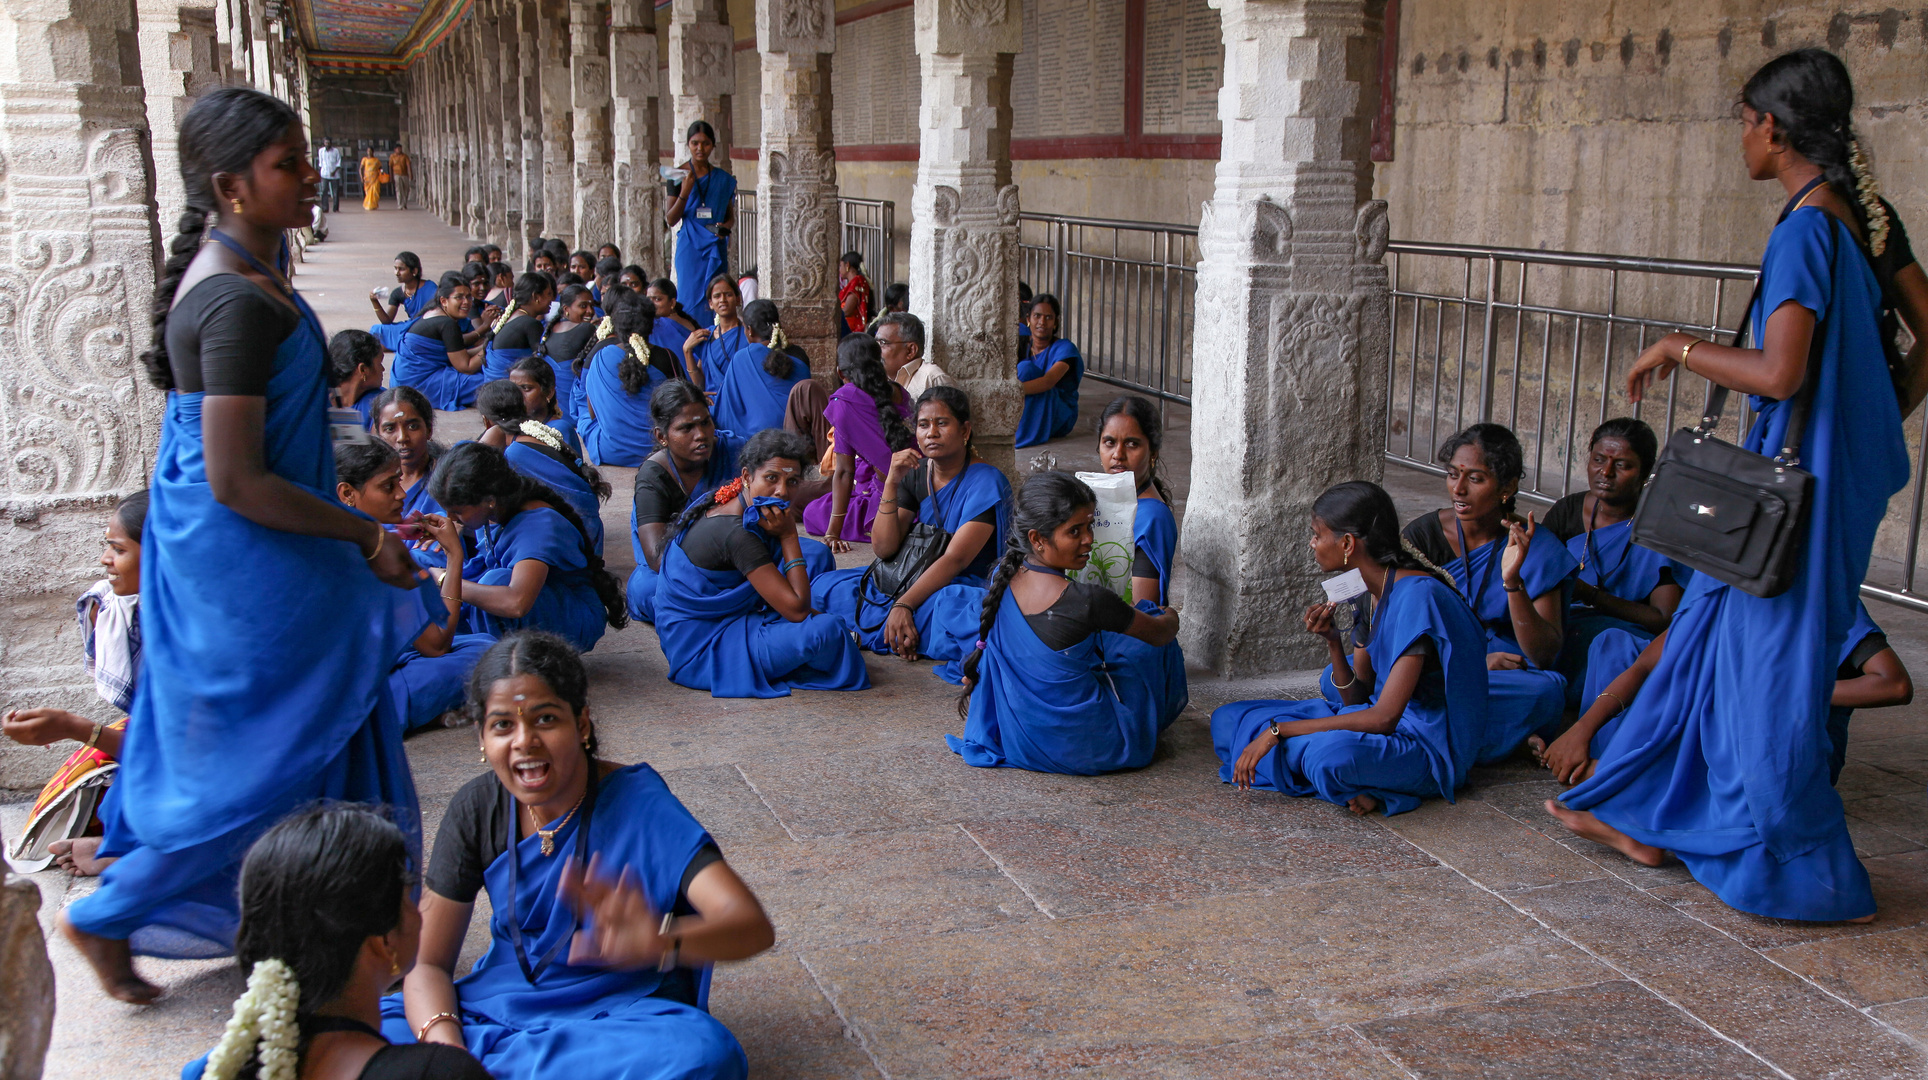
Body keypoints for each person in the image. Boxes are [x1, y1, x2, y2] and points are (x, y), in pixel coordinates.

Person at [62, 87, 427, 1004]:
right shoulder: (232, 299)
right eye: (288, 165)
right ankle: (112, 910)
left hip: (250, 540)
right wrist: (365, 530)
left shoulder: (249, 271)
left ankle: (324, 928)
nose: (312, 177)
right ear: (230, 186)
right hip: (246, 551)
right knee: (260, 748)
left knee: (313, 723)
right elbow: (234, 478)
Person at [1549, 50, 1914, 924]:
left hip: (1781, 504)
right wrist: (1874, 415)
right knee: (1707, 642)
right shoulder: (1863, 218)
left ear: (1776, 128)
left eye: (1745, 119)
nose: (1740, 137)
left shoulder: (1805, 231)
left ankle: (1789, 861)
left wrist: (1676, 348)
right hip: (1818, 488)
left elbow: (1781, 373)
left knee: (1764, 672)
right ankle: (1632, 808)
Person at [382, 631, 771, 1077]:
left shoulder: (637, 802)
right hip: (494, 1011)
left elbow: (751, 928)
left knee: (703, 1054)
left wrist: (658, 939)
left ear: (581, 724)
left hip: (614, 1019)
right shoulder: (477, 808)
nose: (524, 742)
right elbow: (428, 962)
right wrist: (448, 1053)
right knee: (357, 1028)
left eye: (545, 719)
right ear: (482, 738)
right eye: (503, 725)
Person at [1214, 482, 1488, 816]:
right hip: (1377, 719)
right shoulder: (1364, 590)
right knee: (1228, 719)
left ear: (1346, 543)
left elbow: (1385, 718)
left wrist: (1277, 731)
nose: (1312, 544)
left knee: (1328, 757)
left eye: (1316, 534)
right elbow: (1358, 699)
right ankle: (1358, 777)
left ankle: (1387, 786)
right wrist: (1333, 643)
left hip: (1424, 743)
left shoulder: (1417, 595)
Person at [181, 805, 493, 1080]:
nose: (418, 910)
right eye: (408, 892)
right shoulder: (437, 1073)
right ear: (385, 942)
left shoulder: (224, 1065)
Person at [946, 473, 1185, 775]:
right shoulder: (1087, 600)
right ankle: (1145, 730)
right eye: (1075, 531)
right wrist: (1171, 615)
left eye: (1090, 526)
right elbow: (1160, 635)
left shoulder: (1001, 579)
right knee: (1150, 618)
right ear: (1037, 539)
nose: (1089, 540)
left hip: (1022, 739)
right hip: (1089, 747)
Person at [1402, 423, 1574, 763]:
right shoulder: (1421, 537)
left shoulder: (1535, 547)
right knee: (1341, 678)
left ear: (1507, 487)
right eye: (1453, 475)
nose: (1459, 489)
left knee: (1546, 690)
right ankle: (1507, 737)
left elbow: (1543, 656)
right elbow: (1399, 630)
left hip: (1508, 673)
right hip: (1437, 663)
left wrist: (1513, 580)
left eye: (1475, 479)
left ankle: (1423, 732)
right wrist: (1474, 664)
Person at [655, 431, 870, 698]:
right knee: (827, 632)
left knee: (816, 556)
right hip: (704, 649)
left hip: (728, 621)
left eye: (792, 481)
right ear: (746, 477)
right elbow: (797, 613)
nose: (782, 491)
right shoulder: (737, 534)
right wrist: (789, 535)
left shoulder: (732, 499)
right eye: (771, 478)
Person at [813, 387, 1013, 669]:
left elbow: (955, 559)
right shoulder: (917, 472)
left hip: (958, 584)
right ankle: (898, 630)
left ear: (965, 430)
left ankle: (889, 627)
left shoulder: (985, 481)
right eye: (923, 424)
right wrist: (892, 482)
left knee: (956, 612)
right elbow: (884, 548)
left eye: (942, 423)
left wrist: (904, 605)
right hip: (911, 574)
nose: (931, 432)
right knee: (825, 587)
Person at [3, 490, 148, 879]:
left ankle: (127, 851)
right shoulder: (127, 612)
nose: (105, 560)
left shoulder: (185, 635)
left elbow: (178, 753)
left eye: (117, 549)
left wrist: (74, 727)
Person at [337, 440, 497, 736]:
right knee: (489, 653)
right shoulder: (379, 551)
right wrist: (454, 556)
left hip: (342, 678)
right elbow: (436, 646)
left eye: (399, 481)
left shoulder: (328, 533)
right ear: (347, 493)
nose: (401, 494)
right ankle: (400, 711)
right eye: (388, 487)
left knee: (481, 642)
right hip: (355, 692)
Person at [1533, 418, 1682, 709]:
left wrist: (1591, 595)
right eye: (1598, 460)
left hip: (1620, 638)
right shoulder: (1569, 510)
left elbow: (1664, 617)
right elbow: (1539, 574)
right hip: (1562, 627)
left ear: (1645, 473)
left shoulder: (1657, 528)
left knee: (1614, 651)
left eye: (1622, 465)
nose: (1606, 472)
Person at [431, 442, 626, 654]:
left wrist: (446, 580)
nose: (450, 518)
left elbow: (517, 603)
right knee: (423, 562)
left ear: (489, 500)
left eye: (457, 512)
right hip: (535, 601)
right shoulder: (494, 510)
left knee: (492, 582)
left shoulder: (538, 526)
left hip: (573, 616)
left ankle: (499, 668)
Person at [628, 382, 739, 624]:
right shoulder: (654, 477)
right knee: (647, 590)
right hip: (684, 570)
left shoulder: (733, 452)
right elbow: (657, 558)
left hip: (739, 556)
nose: (701, 435)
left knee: (812, 555)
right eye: (686, 428)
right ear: (662, 436)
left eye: (705, 422)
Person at [476, 379, 610, 555]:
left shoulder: (515, 453)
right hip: (590, 531)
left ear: (487, 422)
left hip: (576, 538)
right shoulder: (534, 433)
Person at [803, 334, 913, 548]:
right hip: (924, 483)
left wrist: (832, 534)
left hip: (892, 497)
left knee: (812, 512)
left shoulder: (845, 401)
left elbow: (845, 471)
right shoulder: (900, 391)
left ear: (840, 372)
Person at [574, 290, 680, 467]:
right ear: (652, 325)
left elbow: (593, 413)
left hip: (610, 451)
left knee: (584, 417)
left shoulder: (600, 357)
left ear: (615, 325)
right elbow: (680, 406)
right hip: (658, 448)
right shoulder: (667, 357)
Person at [1097, 396, 1178, 607]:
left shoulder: (1152, 518)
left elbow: (1140, 610)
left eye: (1132, 444)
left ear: (1153, 453)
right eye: (1109, 442)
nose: (1118, 454)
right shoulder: (1105, 500)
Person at [667, 121, 737, 327]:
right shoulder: (678, 175)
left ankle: (715, 337)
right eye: (695, 143)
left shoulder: (722, 179)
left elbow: (730, 216)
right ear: (688, 144)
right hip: (690, 245)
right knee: (689, 298)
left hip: (715, 244)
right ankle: (690, 342)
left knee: (717, 294)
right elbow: (671, 219)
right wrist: (685, 191)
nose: (700, 149)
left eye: (705, 144)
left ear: (713, 146)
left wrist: (725, 228)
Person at [713, 299, 810, 439]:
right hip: (797, 439)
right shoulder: (799, 356)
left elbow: (725, 413)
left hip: (759, 441)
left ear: (750, 330)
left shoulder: (742, 359)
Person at [395, 271, 493, 410]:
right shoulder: (447, 323)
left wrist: (487, 344)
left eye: (468, 297)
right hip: (419, 384)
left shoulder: (432, 311)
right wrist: (490, 348)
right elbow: (467, 367)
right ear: (444, 301)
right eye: (459, 297)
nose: (466, 302)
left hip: (405, 379)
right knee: (492, 382)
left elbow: (458, 351)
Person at [373, 386, 448, 540]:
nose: (402, 437)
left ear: (429, 429)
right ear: (378, 434)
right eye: (390, 428)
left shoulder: (447, 480)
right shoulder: (370, 480)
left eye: (412, 426)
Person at [1016, 293, 1082, 447]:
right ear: (1028, 319)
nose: (1042, 322)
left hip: (1058, 413)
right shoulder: (1021, 343)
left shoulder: (1065, 348)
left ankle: (1022, 435)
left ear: (1056, 322)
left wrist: (1010, 391)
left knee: (1026, 369)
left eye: (1048, 317)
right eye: (1037, 316)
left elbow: (1048, 382)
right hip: (1025, 404)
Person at [484, 272, 555, 382]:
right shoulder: (530, 324)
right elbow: (542, 363)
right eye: (549, 294)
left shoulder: (510, 317)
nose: (552, 299)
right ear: (536, 297)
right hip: (508, 390)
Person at [680, 274, 748, 388]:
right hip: (713, 402)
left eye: (728, 295)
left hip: (740, 401)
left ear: (738, 299)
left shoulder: (748, 334)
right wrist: (687, 351)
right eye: (717, 296)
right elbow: (700, 384)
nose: (723, 300)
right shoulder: (706, 336)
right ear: (711, 303)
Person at [542, 283, 598, 415]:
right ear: (566, 309)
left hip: (554, 410)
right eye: (583, 306)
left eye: (592, 305)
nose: (590, 311)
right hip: (574, 410)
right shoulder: (586, 329)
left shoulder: (550, 330)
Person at [509, 353, 580, 454]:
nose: (517, 395)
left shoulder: (559, 429)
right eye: (513, 388)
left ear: (549, 393)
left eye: (526, 388)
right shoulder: (513, 423)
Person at [877, 311, 955, 398]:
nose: (875, 349)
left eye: (882, 343)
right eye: (876, 342)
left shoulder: (932, 379)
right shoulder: (877, 378)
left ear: (911, 350)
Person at [368, 251, 435, 351]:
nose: (397, 273)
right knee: (376, 330)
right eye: (395, 269)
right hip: (411, 326)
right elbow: (387, 321)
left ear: (414, 271)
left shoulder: (430, 287)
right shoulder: (398, 293)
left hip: (429, 326)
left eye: (401, 269)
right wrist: (374, 301)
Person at [329, 329, 387, 430]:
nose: (383, 369)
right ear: (363, 370)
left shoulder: (381, 403)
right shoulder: (316, 401)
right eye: (379, 363)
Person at [648, 276, 700, 343]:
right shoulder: (652, 324)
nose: (650, 303)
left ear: (672, 302)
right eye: (648, 299)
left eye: (657, 299)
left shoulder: (662, 325)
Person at [837, 251, 871, 335]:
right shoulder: (854, 282)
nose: (839, 270)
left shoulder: (857, 281)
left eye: (840, 266)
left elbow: (848, 310)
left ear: (847, 265)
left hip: (852, 330)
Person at [316, 140, 342, 213]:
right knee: (324, 191)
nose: (327, 144)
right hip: (324, 174)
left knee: (335, 192)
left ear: (331, 143)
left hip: (335, 175)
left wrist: (334, 171)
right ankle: (325, 208)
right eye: (326, 143)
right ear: (324, 143)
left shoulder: (336, 151)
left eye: (328, 143)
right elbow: (320, 163)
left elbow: (339, 162)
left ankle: (335, 208)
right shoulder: (321, 151)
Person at [360, 146, 384, 210]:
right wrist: (361, 177)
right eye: (368, 151)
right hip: (367, 179)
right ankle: (368, 205)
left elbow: (380, 168)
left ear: (373, 152)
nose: (369, 152)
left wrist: (381, 172)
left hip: (375, 179)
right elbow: (361, 168)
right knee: (368, 193)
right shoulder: (364, 159)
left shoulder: (376, 160)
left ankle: (374, 205)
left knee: (375, 192)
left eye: (370, 151)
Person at [389, 143, 412, 210]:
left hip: (404, 175)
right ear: (395, 150)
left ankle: (404, 203)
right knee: (399, 189)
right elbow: (390, 166)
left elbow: (408, 165)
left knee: (406, 189)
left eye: (400, 148)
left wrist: (410, 174)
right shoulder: (392, 157)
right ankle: (400, 204)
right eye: (398, 149)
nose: (399, 150)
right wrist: (391, 176)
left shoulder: (405, 156)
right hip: (397, 175)